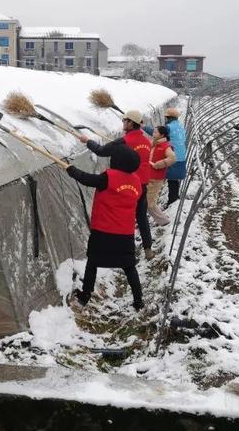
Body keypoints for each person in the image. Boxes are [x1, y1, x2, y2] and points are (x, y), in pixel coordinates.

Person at [66, 144, 144, 310]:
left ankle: (84, 296)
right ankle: (138, 301)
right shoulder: (136, 182)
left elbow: (88, 179)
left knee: (93, 262)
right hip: (125, 232)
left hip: (103, 230)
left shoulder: (110, 177)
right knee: (129, 266)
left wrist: (72, 170)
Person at [79, 110, 153, 259]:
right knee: (141, 216)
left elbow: (101, 151)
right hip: (142, 184)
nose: (123, 122)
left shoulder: (122, 142)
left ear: (131, 123)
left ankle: (120, 253)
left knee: (122, 218)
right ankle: (148, 248)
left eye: (125, 120)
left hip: (123, 185)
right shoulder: (147, 141)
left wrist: (87, 141)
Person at [147, 125, 176, 227]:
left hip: (156, 178)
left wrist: (160, 164)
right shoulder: (153, 144)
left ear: (162, 134)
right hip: (148, 176)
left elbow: (172, 158)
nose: (153, 134)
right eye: (153, 132)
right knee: (145, 201)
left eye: (155, 132)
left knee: (150, 203)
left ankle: (164, 221)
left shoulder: (165, 146)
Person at [164, 108, 187, 206]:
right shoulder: (181, 127)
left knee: (172, 179)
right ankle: (174, 198)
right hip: (181, 156)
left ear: (169, 118)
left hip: (173, 156)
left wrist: (143, 127)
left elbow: (156, 133)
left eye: (166, 117)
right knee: (174, 179)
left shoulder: (168, 127)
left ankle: (172, 200)